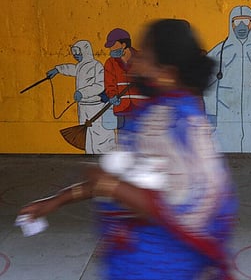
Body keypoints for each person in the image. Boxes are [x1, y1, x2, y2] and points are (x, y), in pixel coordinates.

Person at [20, 19, 238, 280]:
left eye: (144, 56)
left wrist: (110, 185)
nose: (134, 63)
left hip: (163, 266)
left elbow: (183, 206)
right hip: (131, 261)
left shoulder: (180, 124)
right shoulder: (153, 113)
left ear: (166, 72)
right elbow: (129, 176)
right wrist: (56, 201)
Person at [204, 5, 251, 153]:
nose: (241, 26)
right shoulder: (219, 52)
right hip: (226, 114)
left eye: (246, 21)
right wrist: (211, 113)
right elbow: (209, 85)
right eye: (237, 22)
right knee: (227, 156)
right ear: (231, 24)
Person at [46, 40, 116, 154]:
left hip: (96, 107)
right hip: (83, 108)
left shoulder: (96, 66)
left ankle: (105, 158)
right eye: (74, 53)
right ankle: (90, 158)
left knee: (100, 135)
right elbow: (71, 69)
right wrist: (58, 69)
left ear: (85, 51)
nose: (76, 55)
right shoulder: (80, 67)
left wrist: (83, 92)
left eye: (78, 53)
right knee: (87, 136)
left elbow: (100, 85)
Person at [103, 28, 147, 132]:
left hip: (143, 109)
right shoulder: (110, 63)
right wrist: (112, 96)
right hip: (123, 109)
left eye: (113, 45)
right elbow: (109, 84)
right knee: (125, 139)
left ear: (123, 44)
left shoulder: (142, 58)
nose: (111, 49)